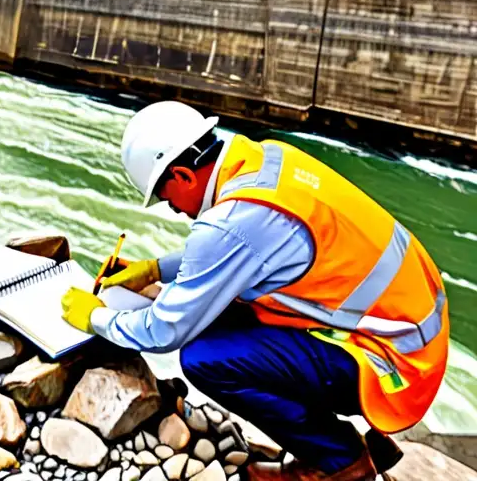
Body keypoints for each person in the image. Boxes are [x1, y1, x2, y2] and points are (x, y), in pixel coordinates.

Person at [61, 101, 448, 481]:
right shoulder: (267, 159)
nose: (174, 210)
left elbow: (164, 332)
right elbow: (245, 248)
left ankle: (340, 460)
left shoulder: (231, 222)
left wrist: (94, 317)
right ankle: (345, 444)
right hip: (410, 329)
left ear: (182, 176)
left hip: (393, 363)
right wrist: (155, 270)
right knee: (220, 315)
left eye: (166, 198)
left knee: (204, 357)